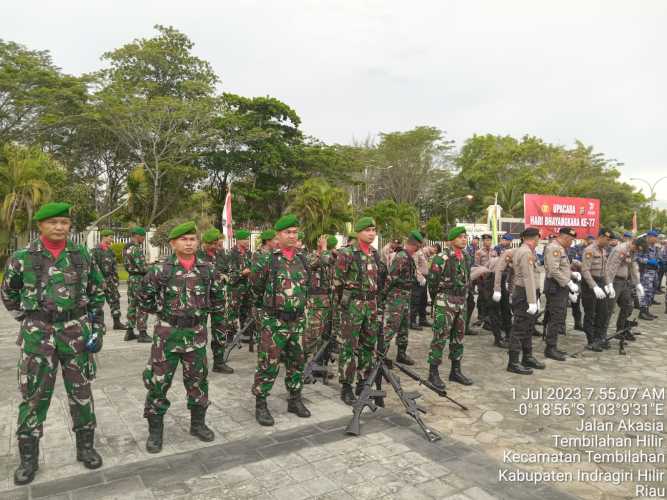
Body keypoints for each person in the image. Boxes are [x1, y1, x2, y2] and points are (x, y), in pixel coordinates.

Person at [1, 202, 106, 484]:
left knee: (81, 391)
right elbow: (8, 293)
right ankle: (28, 458)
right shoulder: (23, 257)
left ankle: (85, 447)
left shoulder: (81, 254)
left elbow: (97, 290)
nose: (60, 227)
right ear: (41, 225)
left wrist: (97, 326)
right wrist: (31, 320)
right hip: (38, 336)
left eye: (64, 222)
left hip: (75, 334)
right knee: (33, 397)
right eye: (53, 222)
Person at [139, 222, 224, 453]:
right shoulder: (161, 270)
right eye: (184, 239)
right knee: (158, 383)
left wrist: (217, 330)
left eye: (192, 239)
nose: (189, 243)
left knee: (198, 382)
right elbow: (144, 298)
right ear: (173, 244)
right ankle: (155, 432)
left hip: (196, 335)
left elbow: (217, 301)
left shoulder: (207, 270)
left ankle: (198, 424)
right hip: (167, 336)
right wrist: (164, 314)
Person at [250, 214, 310, 426]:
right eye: (288, 232)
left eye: (295, 232)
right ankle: (261, 404)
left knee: (297, 361)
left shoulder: (303, 259)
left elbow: (306, 287)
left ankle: (295, 399)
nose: (292, 236)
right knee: (268, 363)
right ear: (278, 235)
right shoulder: (269, 259)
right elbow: (256, 288)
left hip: (298, 321)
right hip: (274, 321)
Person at [334, 217, 386, 405]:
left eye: (374, 230)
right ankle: (346, 386)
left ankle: (363, 382)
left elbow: (379, 281)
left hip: (370, 305)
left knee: (367, 345)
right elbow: (337, 282)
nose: (372, 233)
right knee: (348, 346)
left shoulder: (374, 254)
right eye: (367, 230)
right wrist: (345, 303)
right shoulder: (347, 253)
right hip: (353, 305)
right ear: (358, 233)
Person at [427, 226, 474, 390]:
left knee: (458, 336)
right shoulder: (442, 257)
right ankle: (433, 373)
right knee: (440, 337)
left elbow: (467, 277)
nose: (464, 239)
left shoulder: (466, 257)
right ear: (452, 239)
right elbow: (432, 282)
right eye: (460, 236)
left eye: (465, 236)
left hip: (461, 300)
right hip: (445, 300)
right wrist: (437, 299)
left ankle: (455, 371)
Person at [506, 227, 544, 375]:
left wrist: (534, 298)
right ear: (534, 238)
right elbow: (528, 277)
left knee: (528, 327)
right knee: (519, 327)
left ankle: (527, 357)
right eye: (538, 239)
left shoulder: (526, 251)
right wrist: (532, 301)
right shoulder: (526, 252)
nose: (538, 242)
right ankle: (513, 362)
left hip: (527, 293)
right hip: (524, 294)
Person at [385, 230, 423, 365]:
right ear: (415, 245)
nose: (419, 249)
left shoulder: (408, 256)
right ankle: (381, 356)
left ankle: (401, 354)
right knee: (391, 327)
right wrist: (383, 297)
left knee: (403, 327)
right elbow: (391, 278)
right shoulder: (401, 256)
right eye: (418, 246)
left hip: (405, 295)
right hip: (397, 296)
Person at [199, 228, 232, 373]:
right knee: (199, 333)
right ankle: (198, 364)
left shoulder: (221, 255)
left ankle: (218, 362)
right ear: (204, 243)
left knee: (220, 330)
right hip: (201, 300)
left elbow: (229, 271)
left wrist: (225, 276)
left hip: (218, 299)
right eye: (211, 244)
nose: (214, 246)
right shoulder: (197, 256)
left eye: (216, 243)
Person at [543, 227, 579, 361]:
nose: (572, 243)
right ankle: (550, 348)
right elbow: (553, 270)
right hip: (555, 286)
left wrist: (571, 274)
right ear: (565, 237)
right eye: (571, 240)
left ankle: (553, 346)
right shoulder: (554, 248)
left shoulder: (561, 248)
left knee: (558, 316)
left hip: (560, 286)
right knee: (555, 317)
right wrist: (568, 283)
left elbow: (562, 268)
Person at [606, 237, 647, 341]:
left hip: (624, 282)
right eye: (637, 248)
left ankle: (621, 330)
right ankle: (600, 334)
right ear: (633, 243)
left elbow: (632, 267)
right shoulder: (620, 249)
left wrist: (638, 283)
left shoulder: (632, 251)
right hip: (614, 281)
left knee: (628, 305)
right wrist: (609, 284)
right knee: (608, 308)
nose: (637, 251)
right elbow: (612, 267)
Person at [303, 235, 337, 359]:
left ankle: (320, 363)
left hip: (328, 301)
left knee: (325, 335)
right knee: (312, 334)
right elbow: (321, 261)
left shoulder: (331, 257)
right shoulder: (309, 257)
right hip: (314, 302)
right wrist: (323, 249)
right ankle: (304, 364)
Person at [580, 229, 612, 351]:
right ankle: (591, 340)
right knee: (590, 313)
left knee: (603, 312)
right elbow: (585, 270)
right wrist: (594, 287)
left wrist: (609, 284)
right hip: (590, 284)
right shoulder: (589, 250)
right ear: (601, 237)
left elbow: (605, 271)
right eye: (607, 240)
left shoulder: (603, 251)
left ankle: (599, 338)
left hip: (601, 282)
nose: (608, 242)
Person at [223, 229, 254, 352]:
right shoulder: (231, 254)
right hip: (235, 289)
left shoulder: (248, 253)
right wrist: (242, 273)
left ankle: (245, 334)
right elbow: (229, 274)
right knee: (232, 312)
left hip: (246, 288)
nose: (247, 242)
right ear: (239, 240)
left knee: (246, 311)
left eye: (248, 239)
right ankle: (229, 337)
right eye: (245, 239)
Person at [92, 229, 126, 330]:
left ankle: (117, 322)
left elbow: (114, 266)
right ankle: (99, 324)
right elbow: (94, 267)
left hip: (111, 281)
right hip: (100, 282)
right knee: (98, 303)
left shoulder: (110, 251)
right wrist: (100, 280)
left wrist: (115, 280)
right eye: (110, 237)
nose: (112, 239)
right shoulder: (96, 251)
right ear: (104, 237)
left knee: (115, 301)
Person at [123, 227, 151, 342]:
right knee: (143, 305)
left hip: (131, 278)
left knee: (132, 305)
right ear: (137, 236)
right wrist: (151, 269)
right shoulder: (135, 249)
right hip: (139, 279)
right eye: (143, 236)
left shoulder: (127, 248)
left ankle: (129, 331)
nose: (144, 239)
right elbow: (143, 267)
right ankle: (142, 333)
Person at [635, 230, 660, 320]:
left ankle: (647, 310)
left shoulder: (655, 247)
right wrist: (648, 261)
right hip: (646, 272)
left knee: (651, 292)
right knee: (645, 292)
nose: (656, 239)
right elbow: (636, 258)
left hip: (654, 272)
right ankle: (642, 312)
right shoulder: (643, 246)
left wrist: (657, 262)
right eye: (655, 237)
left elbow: (656, 258)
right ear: (649, 237)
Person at [411, 243, 432, 330]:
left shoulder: (421, 251)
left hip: (424, 278)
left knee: (424, 300)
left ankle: (422, 319)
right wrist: (420, 278)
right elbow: (414, 267)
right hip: (419, 279)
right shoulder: (416, 253)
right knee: (416, 300)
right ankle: (412, 321)